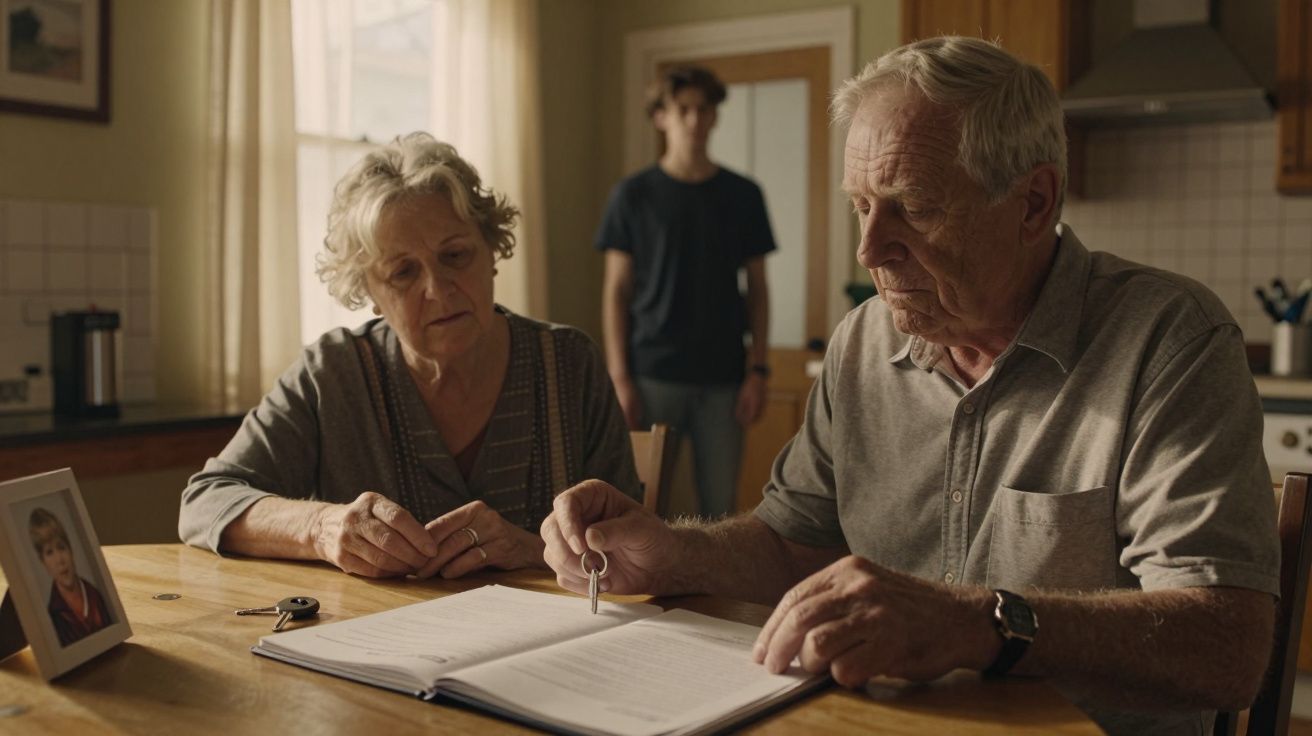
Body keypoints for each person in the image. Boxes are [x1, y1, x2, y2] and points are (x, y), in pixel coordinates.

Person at [542, 37, 1278, 735]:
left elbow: (1228, 646)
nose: (870, 249)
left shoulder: (1168, 342)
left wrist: (981, 623)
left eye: (915, 207)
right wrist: (672, 552)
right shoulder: (863, 342)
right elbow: (790, 544)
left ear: (1034, 203)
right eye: (861, 205)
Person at [180, 133, 639, 579]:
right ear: (370, 294)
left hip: (550, 646)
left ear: (492, 250)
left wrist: (529, 549)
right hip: (370, 647)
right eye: (402, 272)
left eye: (455, 255)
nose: (438, 291)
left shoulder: (568, 364)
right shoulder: (333, 375)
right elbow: (204, 501)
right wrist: (321, 528)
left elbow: (633, 547)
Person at [596, 65, 776, 517]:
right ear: (661, 117)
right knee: (641, 507)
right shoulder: (632, 195)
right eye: (684, 109)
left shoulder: (743, 195)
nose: (694, 120)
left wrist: (759, 371)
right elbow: (616, 292)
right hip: (653, 373)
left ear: (715, 117)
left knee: (720, 512)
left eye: (704, 109)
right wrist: (620, 378)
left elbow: (757, 290)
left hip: (724, 378)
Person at [29, 508, 111, 647]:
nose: (60, 560)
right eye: (49, 552)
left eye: (61, 547)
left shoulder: (95, 595)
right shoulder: (53, 617)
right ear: (43, 562)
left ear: (70, 550)